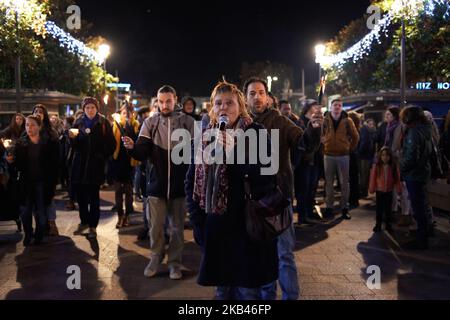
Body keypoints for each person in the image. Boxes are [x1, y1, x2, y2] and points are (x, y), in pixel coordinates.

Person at [185, 81, 279, 300]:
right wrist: (198, 223)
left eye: (229, 103)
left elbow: (266, 177)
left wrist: (232, 152)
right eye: (218, 103)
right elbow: (191, 181)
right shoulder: (205, 137)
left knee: (248, 292)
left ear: (241, 106)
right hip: (217, 228)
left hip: (247, 228)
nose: (224, 108)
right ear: (213, 108)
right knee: (223, 292)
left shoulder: (256, 132)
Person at [244, 77, 322, 300]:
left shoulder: (281, 121)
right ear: (246, 97)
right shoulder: (242, 123)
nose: (257, 97)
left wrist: (314, 128)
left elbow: (304, 143)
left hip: (280, 199)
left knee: (284, 255)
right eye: (252, 93)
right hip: (253, 203)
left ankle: (290, 296)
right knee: (261, 256)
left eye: (261, 92)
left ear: (268, 97)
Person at [122, 85, 195, 280]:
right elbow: (141, 152)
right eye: (161, 101)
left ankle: (175, 264)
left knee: (177, 229)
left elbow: (197, 153)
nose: (164, 105)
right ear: (157, 101)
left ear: (175, 99)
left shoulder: (188, 122)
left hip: (180, 187)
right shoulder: (150, 123)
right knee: (155, 227)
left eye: (168, 101)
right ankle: (155, 257)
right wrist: (131, 148)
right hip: (156, 186)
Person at [6, 116, 59, 246]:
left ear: (39, 126)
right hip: (26, 183)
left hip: (42, 183)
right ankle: (28, 234)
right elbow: (16, 165)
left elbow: (54, 164)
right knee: (25, 211)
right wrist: (11, 161)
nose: (29, 128)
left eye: (32, 125)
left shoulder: (47, 143)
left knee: (41, 212)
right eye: (27, 125)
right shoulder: (21, 143)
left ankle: (39, 235)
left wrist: (53, 183)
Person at [70, 97, 116, 239]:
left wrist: (102, 156)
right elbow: (74, 146)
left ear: (97, 109)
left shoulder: (103, 122)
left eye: (92, 108)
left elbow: (112, 143)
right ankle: (84, 220)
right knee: (81, 197)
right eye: (87, 108)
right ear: (84, 109)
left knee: (94, 197)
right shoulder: (78, 122)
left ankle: (92, 226)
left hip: (95, 165)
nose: (90, 110)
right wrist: (72, 139)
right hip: (80, 165)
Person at [400, 106, 432, 250]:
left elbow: (411, 156)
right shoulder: (426, 129)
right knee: (421, 206)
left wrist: (402, 168)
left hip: (414, 175)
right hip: (423, 172)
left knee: (418, 207)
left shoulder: (413, 132)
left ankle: (421, 240)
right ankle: (423, 236)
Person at [321, 98, 359, 220]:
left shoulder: (348, 121)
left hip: (343, 155)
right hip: (328, 155)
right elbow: (319, 135)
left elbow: (355, 137)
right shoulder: (325, 120)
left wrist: (349, 148)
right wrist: (324, 146)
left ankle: (344, 208)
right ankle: (329, 207)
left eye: (339, 105)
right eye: (335, 105)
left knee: (344, 184)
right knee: (329, 183)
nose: (337, 107)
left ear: (341, 108)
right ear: (331, 107)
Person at [32, 104, 61, 236]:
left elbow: (56, 153)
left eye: (41, 112)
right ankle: (40, 225)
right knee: (35, 200)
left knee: (48, 199)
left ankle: (52, 224)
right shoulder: (29, 130)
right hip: (33, 172)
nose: (38, 113)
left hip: (47, 172)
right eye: (36, 111)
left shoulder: (50, 132)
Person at [111, 103, 140, 228]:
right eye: (123, 113)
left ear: (132, 114)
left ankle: (127, 215)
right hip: (118, 161)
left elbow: (135, 139)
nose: (126, 116)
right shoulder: (115, 126)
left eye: (128, 114)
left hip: (129, 162)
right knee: (118, 191)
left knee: (128, 191)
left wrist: (128, 125)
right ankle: (119, 216)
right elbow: (112, 142)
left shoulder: (135, 126)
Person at [294, 99, 323, 224]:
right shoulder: (299, 122)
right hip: (304, 162)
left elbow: (318, 139)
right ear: (308, 108)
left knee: (312, 188)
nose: (317, 108)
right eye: (314, 106)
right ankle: (302, 216)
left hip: (315, 160)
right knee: (303, 190)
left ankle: (309, 213)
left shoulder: (318, 121)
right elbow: (302, 141)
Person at [369, 147, 401, 233]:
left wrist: (399, 189)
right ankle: (378, 225)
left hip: (389, 191)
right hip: (379, 191)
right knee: (379, 209)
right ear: (380, 156)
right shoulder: (377, 166)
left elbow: (397, 178)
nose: (385, 157)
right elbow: (373, 178)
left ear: (390, 156)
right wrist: (372, 188)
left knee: (388, 210)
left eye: (387, 155)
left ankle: (388, 225)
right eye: (383, 155)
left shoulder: (393, 166)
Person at [358, 118, 377, 198]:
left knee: (363, 174)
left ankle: (363, 191)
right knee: (366, 174)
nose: (371, 125)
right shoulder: (373, 131)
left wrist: (359, 152)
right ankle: (365, 190)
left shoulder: (365, 130)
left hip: (364, 155)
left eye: (372, 124)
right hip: (369, 155)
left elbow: (363, 142)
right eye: (370, 124)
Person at [348, 112, 362, 208]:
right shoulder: (358, 129)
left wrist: (350, 149)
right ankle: (354, 199)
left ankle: (352, 199)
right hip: (355, 156)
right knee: (354, 178)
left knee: (351, 178)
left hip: (351, 155)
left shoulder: (352, 130)